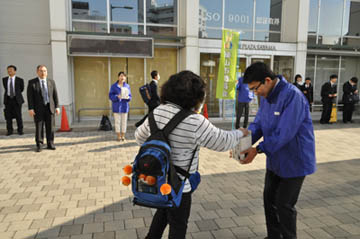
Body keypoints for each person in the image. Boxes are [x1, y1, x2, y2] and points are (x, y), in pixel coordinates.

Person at [135, 71, 249, 239]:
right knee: (178, 225)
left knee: (163, 212)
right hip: (180, 185)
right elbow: (222, 141)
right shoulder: (194, 120)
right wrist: (240, 132)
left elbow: (139, 137)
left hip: (159, 178)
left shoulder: (158, 111)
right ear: (195, 96)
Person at [241, 62, 316, 239]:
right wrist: (242, 144)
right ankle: (273, 236)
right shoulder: (266, 97)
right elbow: (258, 124)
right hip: (275, 160)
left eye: (255, 88)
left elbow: (285, 133)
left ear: (267, 80)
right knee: (269, 201)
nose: (254, 93)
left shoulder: (292, 96)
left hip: (295, 161)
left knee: (284, 205)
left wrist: (257, 149)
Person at [27, 65, 60, 152]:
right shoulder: (32, 83)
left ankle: (50, 143)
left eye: (45, 71)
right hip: (38, 109)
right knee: (39, 127)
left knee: (50, 127)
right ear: (37, 72)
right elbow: (30, 97)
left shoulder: (51, 82)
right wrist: (31, 108)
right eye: (41, 71)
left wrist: (57, 106)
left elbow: (55, 95)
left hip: (50, 108)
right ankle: (39, 144)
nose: (43, 73)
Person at [109, 71, 132, 141]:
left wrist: (128, 98)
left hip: (124, 106)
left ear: (125, 78)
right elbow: (110, 96)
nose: (122, 77)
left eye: (124, 76)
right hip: (117, 106)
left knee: (124, 122)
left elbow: (130, 96)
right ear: (118, 77)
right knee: (117, 122)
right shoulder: (114, 86)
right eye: (121, 76)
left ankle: (123, 135)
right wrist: (117, 97)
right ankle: (118, 135)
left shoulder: (127, 86)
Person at [2, 65, 24, 136]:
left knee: (18, 116)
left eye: (11, 70)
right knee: (8, 116)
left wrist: (16, 95)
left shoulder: (20, 80)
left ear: (15, 71)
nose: (9, 71)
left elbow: (21, 89)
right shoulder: (4, 79)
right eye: (8, 70)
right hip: (8, 100)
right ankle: (9, 130)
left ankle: (20, 130)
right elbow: (6, 88)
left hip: (16, 100)